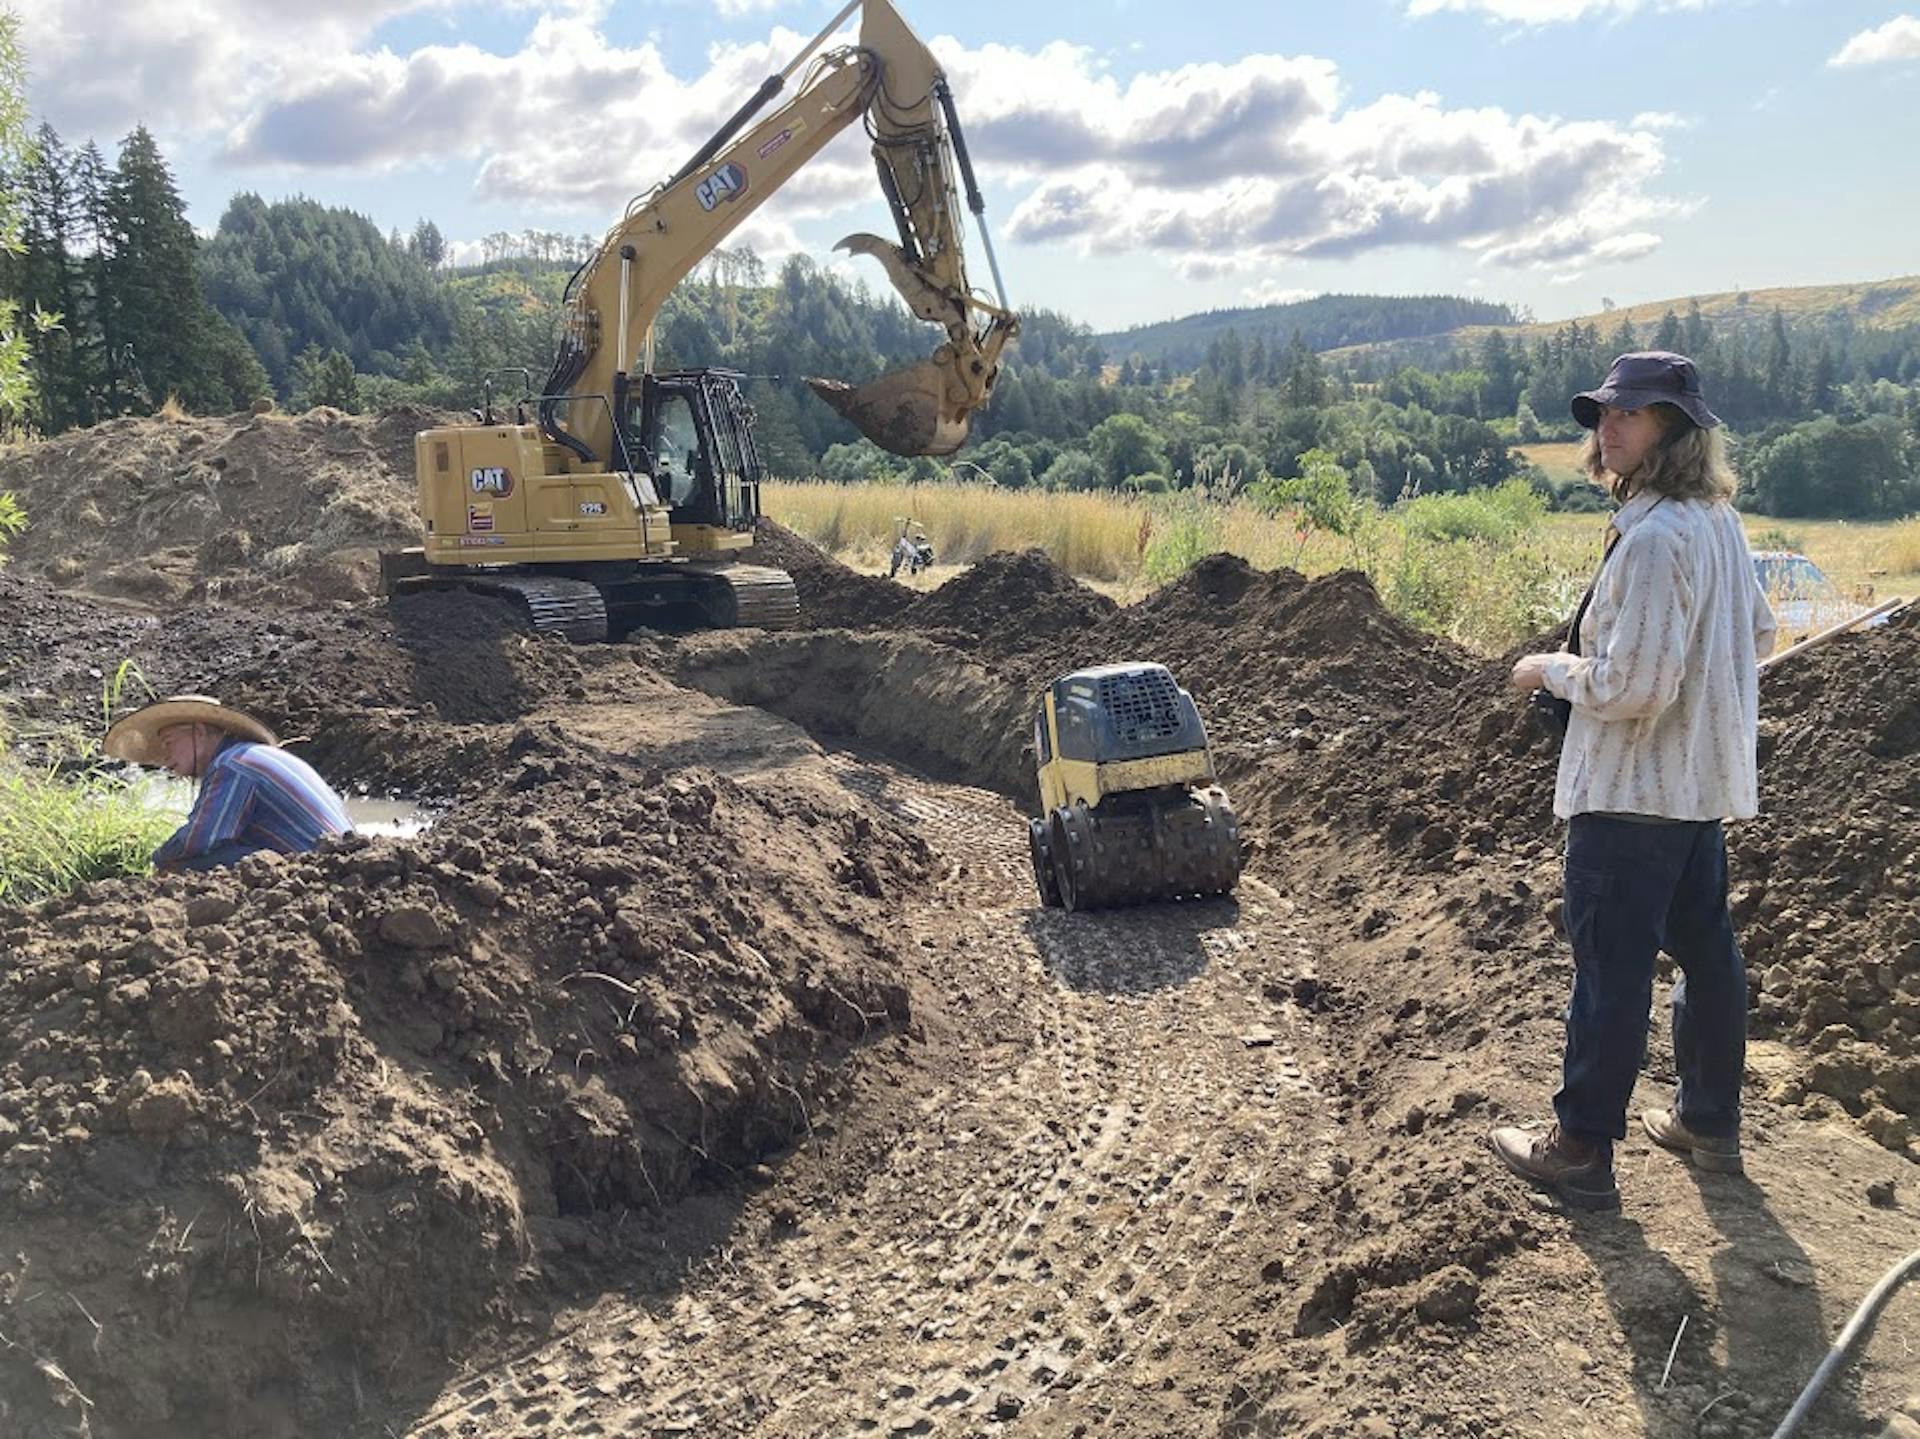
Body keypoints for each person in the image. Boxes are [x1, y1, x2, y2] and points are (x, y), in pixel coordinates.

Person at [1488, 352, 1776, 1212]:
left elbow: (1631, 686)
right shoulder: (1717, 523)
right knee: (1706, 951)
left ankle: (1579, 1148)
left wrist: (1550, 669)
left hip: (1631, 793)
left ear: (1677, 431)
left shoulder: (1654, 540)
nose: (1608, 429)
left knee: (1610, 969)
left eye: (1632, 415)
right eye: (1603, 414)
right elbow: (1758, 633)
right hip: (1695, 788)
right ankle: (1707, 1122)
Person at [104, 694, 352, 873]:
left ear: (198, 733)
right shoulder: (250, 755)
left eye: (168, 744)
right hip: (345, 867)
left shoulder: (231, 765)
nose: (166, 759)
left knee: (181, 866)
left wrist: (157, 859)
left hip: (320, 874)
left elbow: (199, 839)